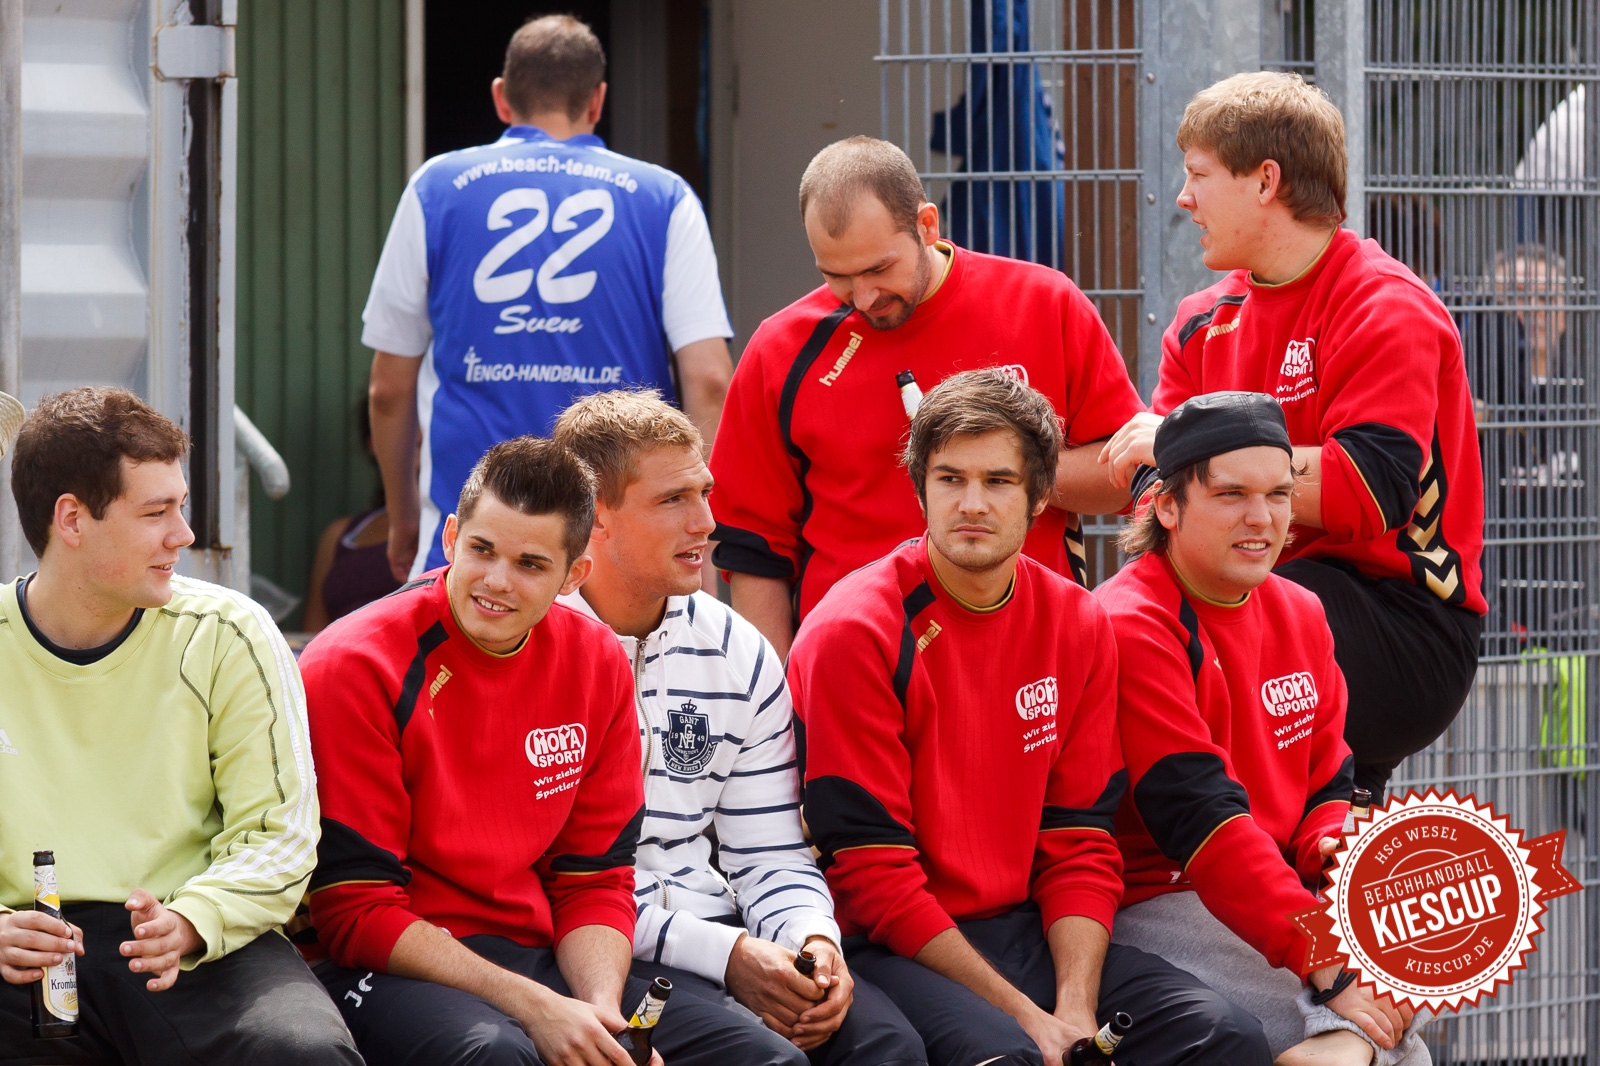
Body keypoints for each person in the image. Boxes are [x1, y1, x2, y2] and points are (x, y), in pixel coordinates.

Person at [791, 369, 1270, 1066]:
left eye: (999, 482)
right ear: (921, 486)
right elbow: (875, 876)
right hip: (885, 944)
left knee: (1222, 1036)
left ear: (1041, 495)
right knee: (1010, 1057)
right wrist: (1031, 1020)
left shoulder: (1075, 620)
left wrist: (1074, 1007)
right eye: (950, 479)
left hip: (1024, 931)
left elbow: (1079, 838)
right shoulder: (855, 631)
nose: (972, 504)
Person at [1100, 72, 1486, 796]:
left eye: (1199, 175)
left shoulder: (1384, 304)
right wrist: (1179, 459)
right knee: (1122, 620)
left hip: (1403, 624)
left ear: (1265, 181)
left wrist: (1189, 445)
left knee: (1222, 615)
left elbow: (1364, 491)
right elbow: (1158, 497)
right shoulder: (1200, 318)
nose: (1183, 199)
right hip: (1260, 587)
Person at [551, 389, 925, 1065]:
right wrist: (727, 957)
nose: (706, 522)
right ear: (595, 516)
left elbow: (771, 851)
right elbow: (557, 879)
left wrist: (814, 943)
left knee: (888, 1047)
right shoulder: (535, 642)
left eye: (706, 492)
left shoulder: (737, 646)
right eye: (673, 501)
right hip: (589, 946)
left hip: (721, 929)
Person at [0, 387, 359, 1064]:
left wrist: (196, 919)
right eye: (156, 512)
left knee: (300, 1050)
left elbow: (280, 833)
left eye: (182, 508)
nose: (184, 535)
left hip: (194, 934)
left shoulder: (231, 634)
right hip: (20, 955)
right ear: (71, 520)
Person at [709, 136, 1141, 658]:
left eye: (878, 269)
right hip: (858, 665)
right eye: (836, 277)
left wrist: (1001, 469)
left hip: (1026, 656)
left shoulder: (1043, 303)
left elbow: (1126, 475)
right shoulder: (780, 350)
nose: (864, 298)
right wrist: (777, 709)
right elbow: (753, 548)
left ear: (927, 226)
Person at [1096, 392, 1426, 1066]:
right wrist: (1327, 959)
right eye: (1231, 495)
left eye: (1280, 494)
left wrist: (1350, 885)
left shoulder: (1301, 610)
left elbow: (1329, 787)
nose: (1262, 519)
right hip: (1162, 896)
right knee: (1377, 1034)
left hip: (1270, 892)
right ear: (1166, 505)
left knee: (1415, 967)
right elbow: (1202, 825)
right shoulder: (1132, 622)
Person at [365, 13, 735, 582]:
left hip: (475, 544)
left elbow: (389, 390)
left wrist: (406, 523)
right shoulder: (665, 197)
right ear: (598, 101)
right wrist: (692, 530)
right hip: (615, 544)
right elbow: (709, 380)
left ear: (501, 99)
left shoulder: (435, 186)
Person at [303, 400, 401, 632]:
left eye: (424, 417)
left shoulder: (456, 533)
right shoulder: (339, 536)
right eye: (401, 419)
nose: (415, 432)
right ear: (372, 441)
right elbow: (311, 637)